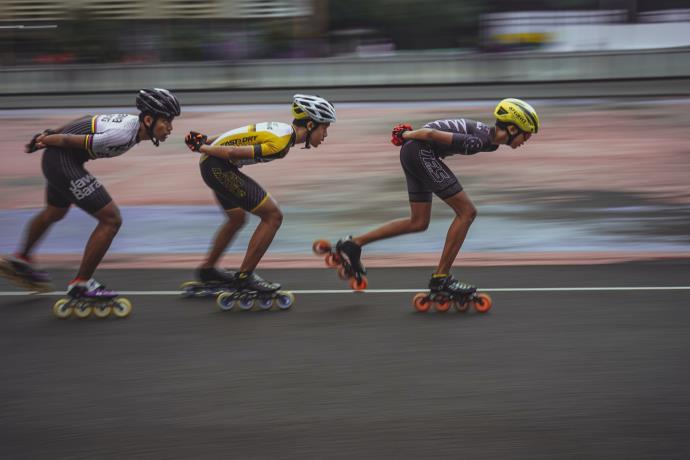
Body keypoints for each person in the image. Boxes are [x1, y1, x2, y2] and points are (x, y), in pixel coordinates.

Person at [327, 98, 539, 297]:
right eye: (526, 134)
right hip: (420, 150)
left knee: (418, 222)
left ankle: (354, 244)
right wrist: (406, 135)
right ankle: (441, 279)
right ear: (512, 128)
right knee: (467, 212)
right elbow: (431, 135)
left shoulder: (489, 140)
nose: (526, 140)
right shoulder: (477, 141)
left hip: (415, 152)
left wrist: (409, 139)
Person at [0, 88, 181, 299]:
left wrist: (50, 134)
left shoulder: (132, 126)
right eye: (166, 121)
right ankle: (81, 284)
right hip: (62, 160)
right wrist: (46, 139)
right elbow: (68, 141)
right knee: (111, 219)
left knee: (54, 213)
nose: (170, 128)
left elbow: (87, 119)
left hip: (61, 160)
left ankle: (22, 259)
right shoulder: (122, 134)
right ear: (149, 120)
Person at [184, 94, 336, 295]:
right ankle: (245, 277)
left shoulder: (280, 129)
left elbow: (237, 134)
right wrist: (202, 146)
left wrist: (206, 140)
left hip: (214, 165)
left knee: (236, 218)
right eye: (324, 128)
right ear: (310, 125)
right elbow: (232, 153)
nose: (325, 135)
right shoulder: (280, 144)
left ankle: (208, 271)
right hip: (218, 166)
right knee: (273, 216)